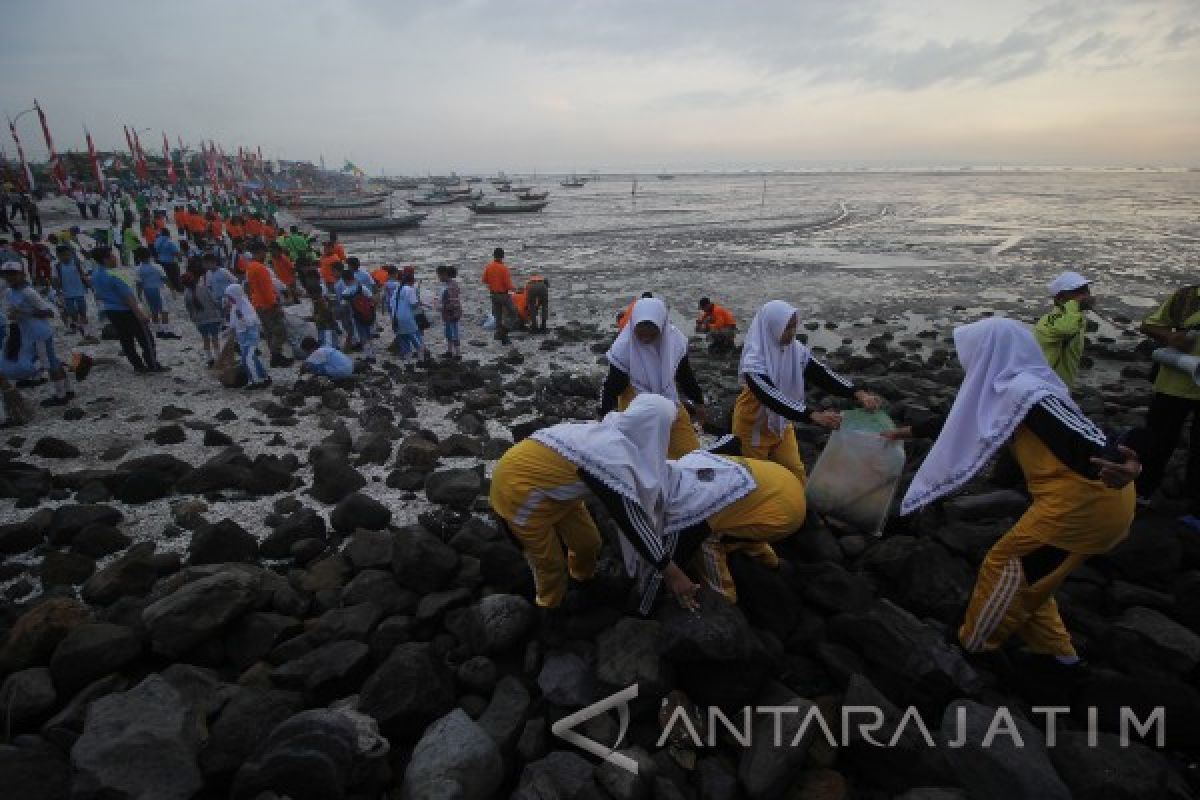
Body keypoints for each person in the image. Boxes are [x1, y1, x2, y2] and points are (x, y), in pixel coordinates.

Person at [893, 318, 1141, 672]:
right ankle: (1060, 655)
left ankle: (974, 645)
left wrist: (1123, 463)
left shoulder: (1028, 393)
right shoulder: (1015, 388)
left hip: (1082, 506)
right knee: (1034, 582)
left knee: (1004, 565)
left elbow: (1085, 440)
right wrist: (904, 432)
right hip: (1093, 503)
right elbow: (961, 419)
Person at [490, 394, 701, 634]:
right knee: (549, 565)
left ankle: (583, 580)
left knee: (588, 543)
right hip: (518, 492)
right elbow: (631, 521)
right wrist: (672, 572)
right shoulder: (609, 457)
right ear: (655, 430)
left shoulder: (616, 430)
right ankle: (550, 610)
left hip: (556, 491)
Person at [734, 300, 881, 483]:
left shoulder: (796, 350)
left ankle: (801, 507)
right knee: (757, 479)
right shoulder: (753, 361)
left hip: (782, 422)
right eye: (787, 328)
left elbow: (821, 374)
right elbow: (772, 398)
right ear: (771, 328)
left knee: (796, 472)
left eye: (795, 326)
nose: (792, 333)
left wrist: (857, 393)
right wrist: (813, 415)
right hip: (753, 425)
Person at [655, 445, 806, 610]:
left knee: (708, 539)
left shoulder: (688, 509)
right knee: (736, 519)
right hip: (782, 480)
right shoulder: (688, 462)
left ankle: (724, 595)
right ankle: (770, 561)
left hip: (783, 516)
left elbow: (680, 549)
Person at [601, 297, 705, 459]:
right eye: (640, 335)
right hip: (635, 405)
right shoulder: (624, 348)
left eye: (652, 334)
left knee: (690, 455)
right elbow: (612, 387)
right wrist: (604, 417)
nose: (646, 340)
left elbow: (685, 375)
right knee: (643, 457)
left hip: (669, 400)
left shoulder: (675, 342)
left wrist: (698, 401)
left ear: (662, 327)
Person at [1136, 283, 1200, 524]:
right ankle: (1141, 493)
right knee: (1157, 442)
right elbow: (1148, 324)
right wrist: (1171, 337)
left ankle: (1195, 510)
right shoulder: (1187, 296)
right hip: (1173, 382)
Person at [2, 261, 75, 406]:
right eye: (6, 274)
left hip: (39, 333)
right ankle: (68, 390)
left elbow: (49, 312)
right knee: (52, 360)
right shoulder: (10, 292)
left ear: (22, 275)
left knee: (49, 363)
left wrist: (23, 312)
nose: (10, 277)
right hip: (28, 334)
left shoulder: (29, 292)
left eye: (13, 274)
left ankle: (61, 396)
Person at [90, 246, 165, 373]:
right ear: (105, 259)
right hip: (126, 310)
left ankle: (138, 366)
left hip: (111, 311)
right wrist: (140, 313)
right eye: (112, 256)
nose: (115, 258)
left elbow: (98, 294)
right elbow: (128, 297)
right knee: (145, 338)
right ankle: (152, 364)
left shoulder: (95, 274)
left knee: (126, 339)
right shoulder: (115, 275)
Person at [1034, 271, 1092, 389]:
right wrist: (1075, 306)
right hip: (1045, 386)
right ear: (1060, 298)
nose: (1085, 295)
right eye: (1079, 292)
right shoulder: (1048, 321)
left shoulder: (1077, 318)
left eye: (1086, 290)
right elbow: (1066, 329)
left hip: (1063, 386)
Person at [244, 240, 291, 366]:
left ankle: (275, 356)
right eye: (265, 252)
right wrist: (275, 305)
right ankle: (276, 355)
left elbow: (250, 287)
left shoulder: (250, 266)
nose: (266, 255)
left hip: (258, 303)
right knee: (280, 331)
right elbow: (267, 290)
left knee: (269, 331)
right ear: (259, 252)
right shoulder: (260, 268)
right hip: (267, 304)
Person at [225, 284, 270, 389]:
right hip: (242, 337)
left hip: (251, 337)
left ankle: (256, 381)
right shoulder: (236, 306)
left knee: (247, 359)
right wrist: (228, 331)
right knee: (252, 358)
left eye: (230, 297)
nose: (229, 299)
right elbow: (233, 323)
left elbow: (251, 322)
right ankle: (263, 377)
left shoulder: (246, 306)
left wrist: (242, 318)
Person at [53, 243, 97, 342]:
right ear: (58, 256)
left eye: (68, 254)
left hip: (79, 293)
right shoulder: (57, 267)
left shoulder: (76, 263)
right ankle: (82, 333)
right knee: (73, 315)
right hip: (67, 295)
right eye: (63, 255)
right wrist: (58, 292)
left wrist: (91, 286)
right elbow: (55, 280)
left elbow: (83, 275)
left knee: (83, 314)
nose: (66, 257)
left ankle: (87, 335)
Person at [134, 247, 179, 339]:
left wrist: (139, 294)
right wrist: (172, 289)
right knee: (164, 310)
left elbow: (139, 283)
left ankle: (158, 331)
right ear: (150, 256)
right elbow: (165, 279)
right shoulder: (157, 266)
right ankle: (166, 331)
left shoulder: (138, 269)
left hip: (147, 291)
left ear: (138, 258)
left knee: (153, 311)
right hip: (159, 290)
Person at [181, 271, 222, 366]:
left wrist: (193, 319)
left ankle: (209, 359)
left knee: (205, 339)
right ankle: (218, 357)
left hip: (200, 320)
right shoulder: (204, 289)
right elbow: (213, 301)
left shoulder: (186, 295)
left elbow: (189, 309)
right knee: (215, 338)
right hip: (212, 317)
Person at [336, 267, 376, 359]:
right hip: (368, 314)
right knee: (369, 334)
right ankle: (372, 353)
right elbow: (371, 298)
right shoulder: (362, 287)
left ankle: (369, 356)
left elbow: (343, 306)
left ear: (344, 279)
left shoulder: (346, 292)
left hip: (357, 316)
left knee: (362, 336)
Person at [481, 247, 518, 345]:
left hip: (493, 295)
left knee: (498, 316)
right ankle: (504, 331)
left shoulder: (489, 267)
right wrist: (515, 290)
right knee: (514, 313)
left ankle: (501, 337)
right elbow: (508, 284)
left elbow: (484, 280)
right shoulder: (504, 268)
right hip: (503, 295)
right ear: (503, 256)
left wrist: (493, 282)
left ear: (494, 256)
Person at [435, 265, 463, 359]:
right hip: (450, 312)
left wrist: (440, 306)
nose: (438, 278)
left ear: (444, 274)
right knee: (449, 332)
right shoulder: (450, 284)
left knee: (454, 332)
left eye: (439, 275)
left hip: (452, 313)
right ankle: (450, 351)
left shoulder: (450, 286)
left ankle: (458, 353)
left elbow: (452, 302)